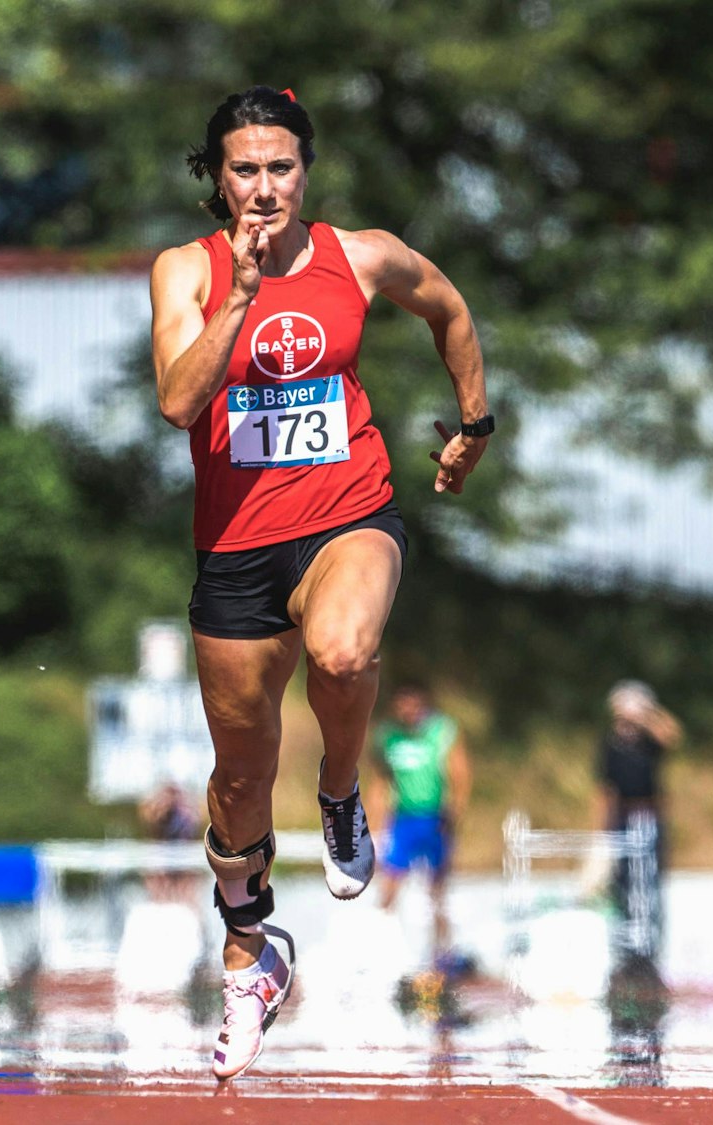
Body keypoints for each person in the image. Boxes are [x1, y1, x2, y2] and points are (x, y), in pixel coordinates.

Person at [149, 85, 492, 1080]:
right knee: (238, 777)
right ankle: (252, 957)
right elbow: (178, 399)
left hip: (348, 512)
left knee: (345, 650)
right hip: (234, 551)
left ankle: (341, 791)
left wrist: (472, 425)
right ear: (217, 179)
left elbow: (448, 306)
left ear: (307, 171)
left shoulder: (362, 253)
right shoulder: (187, 270)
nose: (263, 189)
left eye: (280, 168)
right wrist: (245, 296)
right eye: (244, 170)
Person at [372, 681, 470, 959]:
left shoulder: (442, 731)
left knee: (437, 888)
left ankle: (444, 952)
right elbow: (381, 782)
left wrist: (454, 814)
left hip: (434, 817)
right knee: (390, 882)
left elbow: (460, 777)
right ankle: (379, 947)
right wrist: (376, 826)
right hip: (402, 818)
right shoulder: (387, 736)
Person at [595, 680, 679, 957]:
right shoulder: (610, 742)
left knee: (649, 880)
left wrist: (647, 713)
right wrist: (601, 827)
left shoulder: (649, 739)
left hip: (648, 816)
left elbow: (672, 735)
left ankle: (650, 945)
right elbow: (604, 788)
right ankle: (626, 945)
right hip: (621, 815)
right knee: (622, 880)